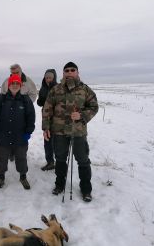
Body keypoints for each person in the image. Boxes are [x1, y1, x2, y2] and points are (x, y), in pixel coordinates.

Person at [42, 62, 98, 202]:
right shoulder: (55, 90)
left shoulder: (85, 90)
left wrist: (82, 115)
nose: (69, 72)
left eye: (73, 70)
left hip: (78, 132)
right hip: (59, 132)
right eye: (67, 70)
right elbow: (47, 109)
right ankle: (59, 185)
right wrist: (46, 128)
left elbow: (94, 106)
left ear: (77, 73)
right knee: (60, 159)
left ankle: (86, 189)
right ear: (63, 73)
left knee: (83, 161)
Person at [0, 74, 35, 190]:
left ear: (20, 85)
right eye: (12, 83)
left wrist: (28, 132)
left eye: (17, 83)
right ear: (8, 85)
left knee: (21, 157)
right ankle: (1, 176)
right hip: (3, 136)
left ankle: (23, 176)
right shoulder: (0, 99)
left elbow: (31, 117)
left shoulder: (26, 100)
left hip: (21, 136)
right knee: (2, 158)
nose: (14, 85)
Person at [37, 69, 57, 171]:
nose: (48, 79)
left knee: (58, 141)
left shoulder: (58, 88)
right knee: (47, 140)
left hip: (57, 119)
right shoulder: (43, 88)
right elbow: (40, 102)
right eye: (46, 78)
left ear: (54, 78)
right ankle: (50, 162)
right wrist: (40, 100)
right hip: (46, 118)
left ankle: (59, 162)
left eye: (50, 78)